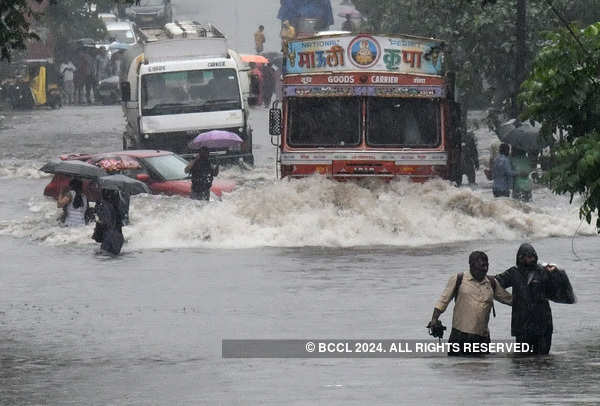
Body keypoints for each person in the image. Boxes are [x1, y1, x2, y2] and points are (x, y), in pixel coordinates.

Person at [494, 243, 576, 355]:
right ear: (520, 258)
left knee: (543, 359)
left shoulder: (544, 271)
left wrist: (558, 274)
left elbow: (564, 295)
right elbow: (495, 283)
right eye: (528, 256)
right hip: (522, 326)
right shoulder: (513, 273)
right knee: (522, 361)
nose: (531, 259)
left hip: (543, 324)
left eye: (533, 256)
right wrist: (509, 300)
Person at [428, 251, 512, 356]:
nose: (485, 269)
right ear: (471, 265)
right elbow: (443, 301)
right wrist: (434, 319)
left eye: (487, 266)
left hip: (482, 338)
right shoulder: (459, 279)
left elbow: (509, 299)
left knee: (483, 369)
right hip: (460, 337)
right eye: (481, 266)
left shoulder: (491, 282)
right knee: (460, 369)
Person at [93, 189, 124, 255]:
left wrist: (97, 210)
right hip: (118, 239)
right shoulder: (118, 207)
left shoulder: (104, 205)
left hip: (109, 239)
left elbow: (104, 222)